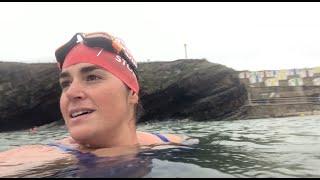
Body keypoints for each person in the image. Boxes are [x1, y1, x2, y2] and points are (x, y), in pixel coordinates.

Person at [0, 32, 185, 177]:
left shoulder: (172, 142)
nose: (70, 92)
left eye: (92, 77)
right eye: (65, 83)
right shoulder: (39, 158)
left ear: (132, 93)